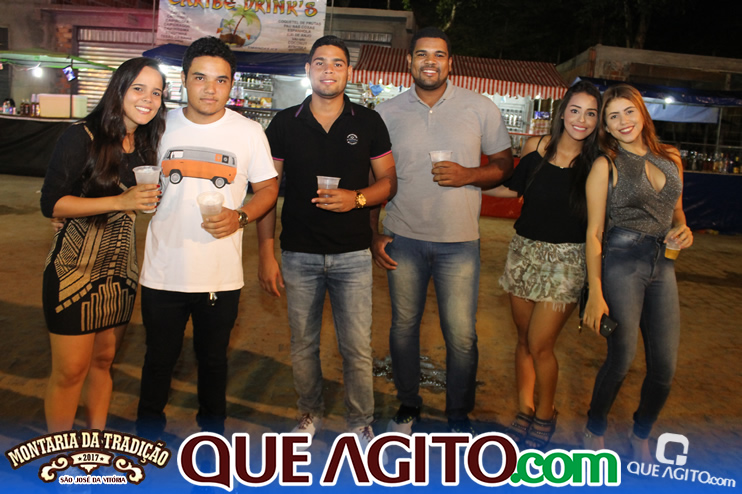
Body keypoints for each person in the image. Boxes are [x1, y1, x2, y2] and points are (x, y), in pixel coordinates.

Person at [372, 27, 514, 434]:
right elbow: (374, 177)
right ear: (409, 61)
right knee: (403, 329)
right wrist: (372, 234)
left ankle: (457, 416)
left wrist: (470, 174)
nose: (430, 62)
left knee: (461, 336)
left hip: (460, 243)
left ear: (450, 63)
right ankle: (408, 404)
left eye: (438, 55)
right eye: (422, 54)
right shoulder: (386, 113)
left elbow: (504, 164)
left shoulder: (480, 107)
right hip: (402, 237)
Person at [257, 35, 396, 448]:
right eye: (320, 62)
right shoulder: (285, 122)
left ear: (348, 71)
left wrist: (356, 199)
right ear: (308, 70)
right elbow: (266, 191)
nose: (329, 70)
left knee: (357, 347)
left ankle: (360, 422)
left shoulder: (368, 121)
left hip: (352, 255)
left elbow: (388, 182)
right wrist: (266, 251)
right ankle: (309, 413)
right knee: (303, 345)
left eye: (337, 63)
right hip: (298, 253)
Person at [136, 37, 278, 438]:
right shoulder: (158, 125)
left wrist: (241, 216)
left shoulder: (249, 132)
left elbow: (268, 188)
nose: (210, 89)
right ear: (183, 80)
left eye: (221, 80)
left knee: (214, 361)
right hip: (163, 270)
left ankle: (212, 438)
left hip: (220, 275)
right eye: (200, 78)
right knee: (158, 360)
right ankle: (148, 438)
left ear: (232, 84)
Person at [40, 57, 166, 432]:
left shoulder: (145, 143)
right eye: (139, 89)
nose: (148, 99)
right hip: (73, 270)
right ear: (119, 89)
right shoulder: (82, 136)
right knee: (70, 371)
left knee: (103, 362)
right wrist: (120, 201)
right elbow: (52, 203)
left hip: (121, 270)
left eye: (157, 92)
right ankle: (60, 455)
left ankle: (95, 441)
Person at [484, 81, 602, 448]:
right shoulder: (536, 147)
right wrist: (467, 182)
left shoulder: (597, 164)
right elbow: (512, 188)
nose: (581, 119)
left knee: (540, 344)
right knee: (522, 339)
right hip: (523, 253)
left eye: (591, 113)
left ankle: (546, 415)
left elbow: (598, 227)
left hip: (567, 262)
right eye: (575, 110)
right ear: (562, 112)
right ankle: (525, 408)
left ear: (598, 121)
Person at [581, 84, 693, 461]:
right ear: (606, 127)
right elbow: (594, 233)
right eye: (613, 116)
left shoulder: (671, 157)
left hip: (663, 263)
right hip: (621, 261)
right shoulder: (606, 164)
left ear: (642, 113)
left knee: (665, 367)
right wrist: (595, 292)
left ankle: (641, 431)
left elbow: (676, 212)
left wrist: (683, 228)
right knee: (622, 358)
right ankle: (595, 427)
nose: (623, 121)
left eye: (629, 111)